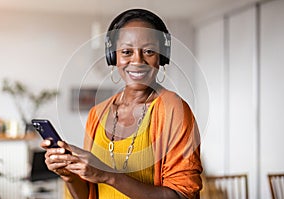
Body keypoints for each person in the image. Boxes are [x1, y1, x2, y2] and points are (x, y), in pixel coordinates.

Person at [41, 8, 203, 199]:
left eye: (149, 51)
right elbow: (87, 195)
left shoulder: (174, 109)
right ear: (113, 57)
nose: (137, 61)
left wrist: (107, 175)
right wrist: (69, 175)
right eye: (126, 52)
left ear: (161, 57)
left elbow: (183, 196)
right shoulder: (97, 114)